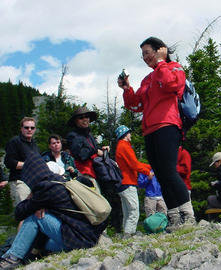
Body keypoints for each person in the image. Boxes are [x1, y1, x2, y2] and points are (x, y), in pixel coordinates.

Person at [118, 36, 195, 228]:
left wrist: (161, 62)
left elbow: (172, 85)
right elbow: (136, 105)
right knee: (160, 174)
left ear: (160, 50)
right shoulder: (147, 79)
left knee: (169, 171)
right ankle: (174, 216)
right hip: (149, 130)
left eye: (147, 52)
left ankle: (188, 215)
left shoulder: (173, 67)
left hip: (168, 125)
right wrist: (127, 89)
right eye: (142, 54)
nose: (145, 57)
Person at [0, 152, 106, 269]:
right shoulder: (60, 181)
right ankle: (34, 253)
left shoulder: (46, 188)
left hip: (78, 240)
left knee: (35, 217)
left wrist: (31, 195)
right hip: (88, 237)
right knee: (40, 227)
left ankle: (12, 257)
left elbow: (19, 213)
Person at [114, 125, 154, 236]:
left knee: (127, 211)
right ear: (125, 134)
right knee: (134, 210)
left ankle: (126, 233)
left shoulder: (120, 146)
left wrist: (149, 167)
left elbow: (135, 163)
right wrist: (148, 172)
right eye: (129, 133)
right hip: (128, 182)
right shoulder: (125, 146)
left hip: (122, 183)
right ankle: (129, 234)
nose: (130, 135)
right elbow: (134, 164)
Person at [66, 107, 109, 191]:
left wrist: (102, 149)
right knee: (97, 202)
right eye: (81, 118)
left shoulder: (89, 135)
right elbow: (81, 155)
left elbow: (93, 148)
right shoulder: (73, 136)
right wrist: (96, 150)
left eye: (87, 117)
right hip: (84, 175)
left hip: (94, 173)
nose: (85, 119)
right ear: (76, 121)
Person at [4, 117, 40, 207]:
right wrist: (29, 165)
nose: (29, 130)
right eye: (26, 127)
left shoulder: (34, 144)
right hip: (20, 181)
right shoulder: (15, 141)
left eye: (32, 128)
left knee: (35, 211)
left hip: (34, 181)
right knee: (24, 211)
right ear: (21, 129)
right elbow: (8, 162)